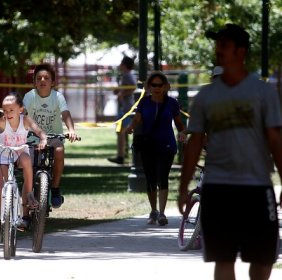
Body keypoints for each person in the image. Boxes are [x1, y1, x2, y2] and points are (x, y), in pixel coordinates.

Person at [178, 23, 282, 280]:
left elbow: (275, 140)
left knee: (262, 258)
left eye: (224, 45)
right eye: (217, 45)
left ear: (240, 51)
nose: (218, 50)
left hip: (257, 187)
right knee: (223, 258)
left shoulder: (263, 92)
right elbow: (194, 144)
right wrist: (183, 187)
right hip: (217, 189)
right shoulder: (205, 96)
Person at [0, 93, 47, 243]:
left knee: (27, 159)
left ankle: (28, 194)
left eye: (11, 110)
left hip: (20, 151)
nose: (7, 113)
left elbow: (40, 132)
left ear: (20, 109)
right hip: (4, 154)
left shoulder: (26, 120)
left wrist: (43, 139)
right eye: (5, 110)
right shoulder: (1, 122)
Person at [126, 71, 186, 225]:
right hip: (148, 145)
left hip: (167, 145)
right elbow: (138, 119)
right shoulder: (144, 102)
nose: (157, 88)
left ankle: (162, 213)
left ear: (165, 86)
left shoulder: (172, 103)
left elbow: (179, 124)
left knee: (163, 177)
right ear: (149, 87)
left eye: (160, 85)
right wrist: (130, 127)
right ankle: (153, 210)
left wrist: (183, 133)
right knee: (151, 179)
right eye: (154, 85)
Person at [22, 63, 78, 225]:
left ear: (52, 82)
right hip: (32, 137)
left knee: (59, 150)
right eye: (39, 78)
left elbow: (65, 114)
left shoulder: (58, 97)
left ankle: (54, 188)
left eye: (46, 78)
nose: (42, 80)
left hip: (53, 136)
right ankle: (25, 216)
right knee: (28, 170)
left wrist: (71, 130)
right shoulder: (29, 96)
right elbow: (24, 115)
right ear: (34, 82)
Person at [108, 56, 137, 164]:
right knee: (121, 131)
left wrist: (122, 93)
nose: (119, 65)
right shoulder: (125, 75)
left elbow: (133, 87)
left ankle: (121, 156)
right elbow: (128, 87)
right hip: (124, 107)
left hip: (126, 108)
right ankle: (122, 154)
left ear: (124, 65)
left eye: (121, 63)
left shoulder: (127, 75)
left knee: (121, 131)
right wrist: (119, 91)